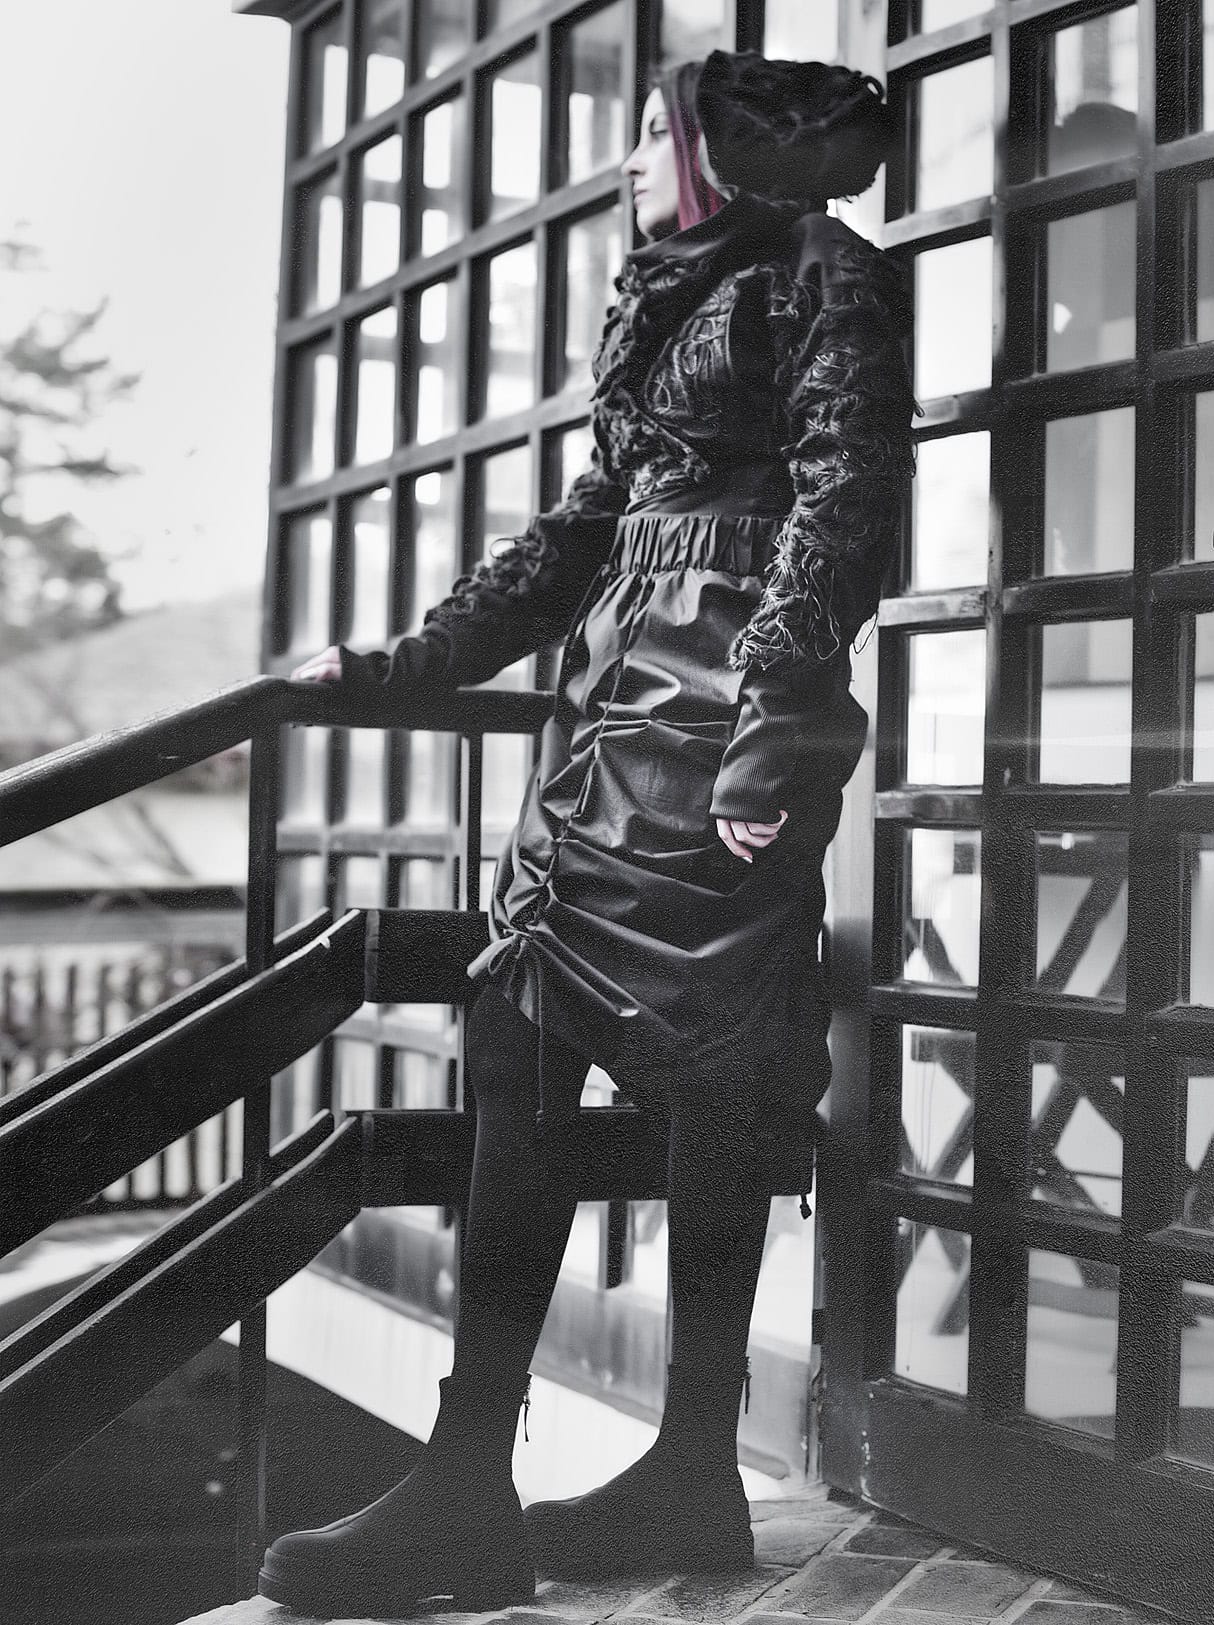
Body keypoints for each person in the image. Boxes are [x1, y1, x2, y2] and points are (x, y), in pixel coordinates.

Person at [259, 48, 915, 1620]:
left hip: (719, 717)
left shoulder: (827, 276)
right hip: (619, 712)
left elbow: (846, 499)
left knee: (713, 1070)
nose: (625, 166)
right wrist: (408, 663)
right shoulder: (673, 292)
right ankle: (494, 1475)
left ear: (718, 150)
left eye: (647, 137)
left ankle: (645, 1468)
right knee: (526, 1019)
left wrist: (771, 720)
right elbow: (581, 530)